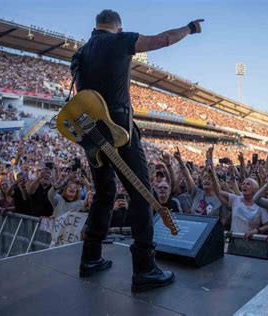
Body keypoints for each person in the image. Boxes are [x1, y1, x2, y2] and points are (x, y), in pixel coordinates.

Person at [71, 9, 204, 292]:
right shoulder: (119, 41)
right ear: (119, 28)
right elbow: (164, 39)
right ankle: (144, 268)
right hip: (119, 129)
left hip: (91, 132)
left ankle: (90, 258)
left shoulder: (80, 53)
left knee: (105, 193)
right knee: (142, 192)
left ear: (97, 25)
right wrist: (190, 28)